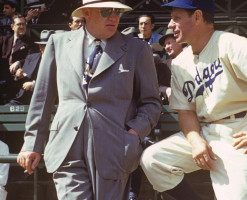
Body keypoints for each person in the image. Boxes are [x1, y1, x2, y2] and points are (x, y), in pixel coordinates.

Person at [140, 1, 247, 200]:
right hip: (209, 133)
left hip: (245, 132)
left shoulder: (230, 43)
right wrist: (195, 140)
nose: (169, 25)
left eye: (176, 18)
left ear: (198, 17)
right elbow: (185, 111)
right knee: (153, 160)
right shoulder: (180, 62)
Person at [17, 1, 161, 200]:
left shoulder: (137, 49)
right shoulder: (58, 43)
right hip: (66, 147)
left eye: (117, 11)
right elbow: (42, 97)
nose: (113, 17)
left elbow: (151, 103)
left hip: (114, 149)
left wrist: (133, 133)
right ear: (86, 13)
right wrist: (32, 143)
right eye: (105, 11)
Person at [6, 30, 56, 105]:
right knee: (6, 110)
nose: (50, 49)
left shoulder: (58, 61)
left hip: (46, 99)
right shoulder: (31, 58)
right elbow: (23, 80)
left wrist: (34, 85)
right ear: (40, 47)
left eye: (51, 46)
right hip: (25, 98)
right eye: (46, 46)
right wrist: (19, 76)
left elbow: (56, 83)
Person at [0, 15, 34, 104]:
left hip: (18, 79)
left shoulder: (30, 42)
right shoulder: (4, 40)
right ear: (12, 26)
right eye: (19, 24)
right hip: (3, 77)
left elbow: (31, 59)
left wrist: (19, 62)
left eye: (24, 24)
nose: (22, 27)